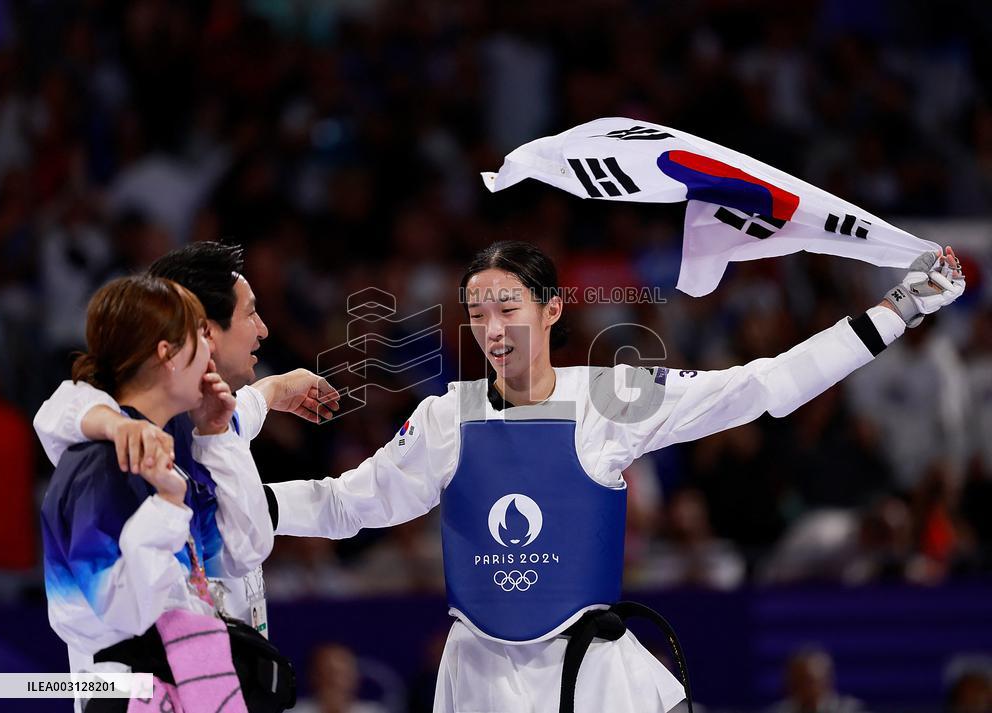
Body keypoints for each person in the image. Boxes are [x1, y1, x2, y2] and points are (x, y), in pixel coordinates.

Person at [263, 240, 966, 713]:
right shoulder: (448, 415)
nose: (493, 327)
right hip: (481, 679)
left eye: (508, 307)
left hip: (593, 675)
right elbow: (345, 505)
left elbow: (764, 386)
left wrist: (897, 310)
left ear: (552, 308)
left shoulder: (611, 397)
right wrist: (243, 500)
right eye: (478, 313)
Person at [34, 241, 339, 636]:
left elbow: (247, 545)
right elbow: (119, 616)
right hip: (136, 689)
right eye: (250, 313)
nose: (263, 329)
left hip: (207, 680)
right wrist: (158, 489)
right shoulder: (109, 453)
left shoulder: (208, 421)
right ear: (188, 341)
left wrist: (276, 389)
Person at [41, 275, 273, 712]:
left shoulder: (172, 450)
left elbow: (241, 552)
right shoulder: (99, 462)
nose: (209, 355)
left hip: (180, 688)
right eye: (199, 338)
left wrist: (218, 435)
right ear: (167, 355)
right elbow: (118, 614)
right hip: (126, 697)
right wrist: (166, 506)